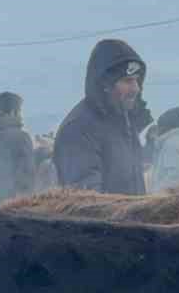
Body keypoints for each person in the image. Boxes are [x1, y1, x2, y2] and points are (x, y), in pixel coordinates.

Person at [53, 39, 151, 194]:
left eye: (137, 81)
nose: (136, 89)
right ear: (105, 84)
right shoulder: (79, 128)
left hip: (129, 218)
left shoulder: (124, 124)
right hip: (107, 218)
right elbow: (86, 204)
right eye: (127, 81)